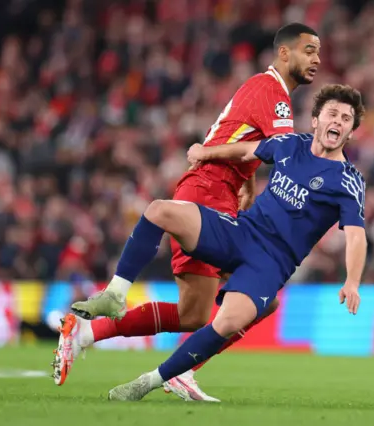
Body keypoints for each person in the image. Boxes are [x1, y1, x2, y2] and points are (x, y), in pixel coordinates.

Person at [52, 23, 321, 400]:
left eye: (318, 52)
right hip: (208, 191)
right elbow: (281, 151)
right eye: (309, 50)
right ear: (284, 53)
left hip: (217, 191)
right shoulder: (273, 93)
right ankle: (124, 303)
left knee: (196, 313)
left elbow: (239, 137)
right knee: (262, 296)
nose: (317, 59)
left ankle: (88, 332)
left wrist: (246, 182)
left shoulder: (263, 89)